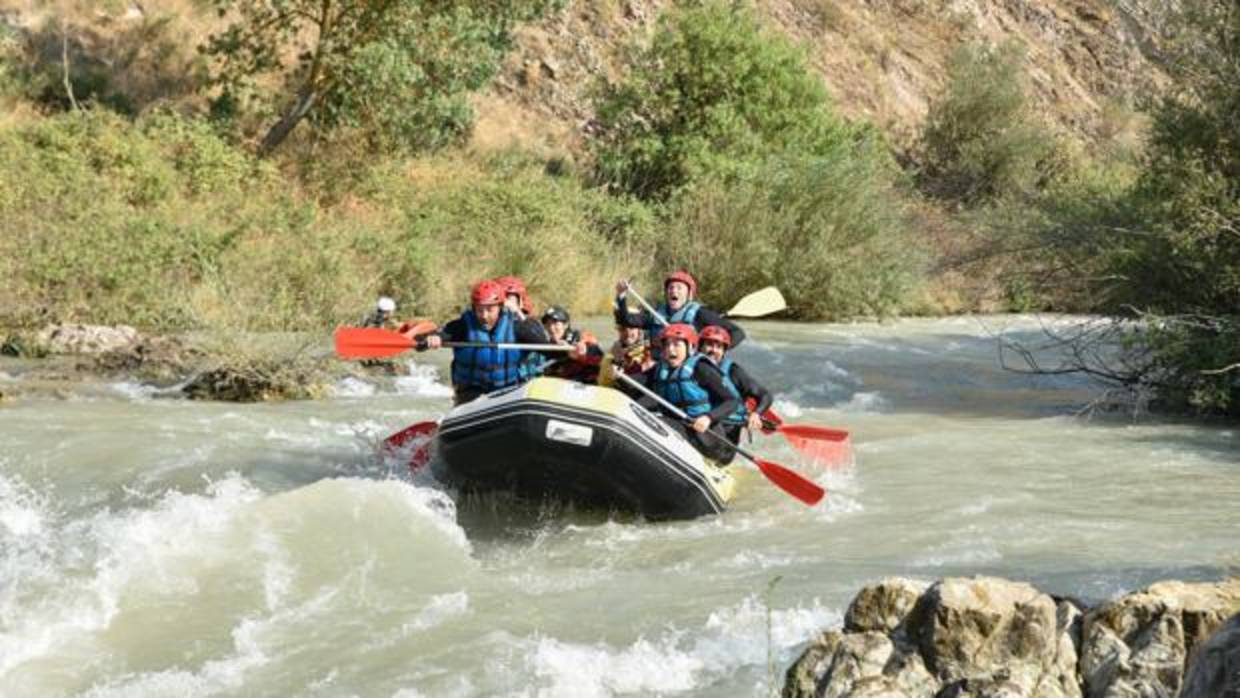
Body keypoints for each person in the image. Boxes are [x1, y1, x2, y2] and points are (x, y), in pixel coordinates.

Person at [621, 323, 740, 465]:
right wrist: (618, 375)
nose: (670, 349)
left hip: (705, 437)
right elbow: (634, 383)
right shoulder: (660, 369)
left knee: (655, 422)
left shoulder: (701, 368)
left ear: (690, 348)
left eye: (677, 344)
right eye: (667, 345)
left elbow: (732, 401)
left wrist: (708, 418)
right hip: (677, 428)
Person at [418, 279, 550, 405]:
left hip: (507, 392)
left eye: (489, 310)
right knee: (473, 402)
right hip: (470, 393)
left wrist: (569, 353)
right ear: (473, 308)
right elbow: (424, 341)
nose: (484, 315)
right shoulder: (463, 326)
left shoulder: (517, 327)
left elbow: (548, 349)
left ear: (500, 307)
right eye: (480, 310)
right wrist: (434, 338)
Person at [614, 270, 746, 351]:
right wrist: (621, 296)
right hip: (658, 366)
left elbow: (737, 333)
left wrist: (717, 350)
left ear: (689, 294)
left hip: (690, 369)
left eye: (679, 288)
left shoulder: (701, 314)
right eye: (670, 288)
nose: (673, 291)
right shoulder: (655, 313)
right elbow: (626, 320)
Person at [699, 325, 772, 445]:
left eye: (718, 347)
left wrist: (756, 414)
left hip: (727, 432)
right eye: (709, 345)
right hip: (699, 424)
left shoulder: (733, 372)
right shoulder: (690, 367)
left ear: (724, 351)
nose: (713, 350)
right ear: (700, 347)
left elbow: (764, 395)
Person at [535, 305, 603, 382]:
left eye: (555, 323)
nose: (551, 328)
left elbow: (599, 359)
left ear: (566, 325)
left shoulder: (581, 337)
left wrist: (580, 355)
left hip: (582, 385)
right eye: (548, 324)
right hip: (557, 386)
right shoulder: (547, 346)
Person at [598, 306, 654, 387]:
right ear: (618, 331)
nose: (628, 333)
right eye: (623, 329)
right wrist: (612, 370)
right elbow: (602, 384)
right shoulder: (611, 355)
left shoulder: (651, 350)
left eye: (631, 328)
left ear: (639, 329)